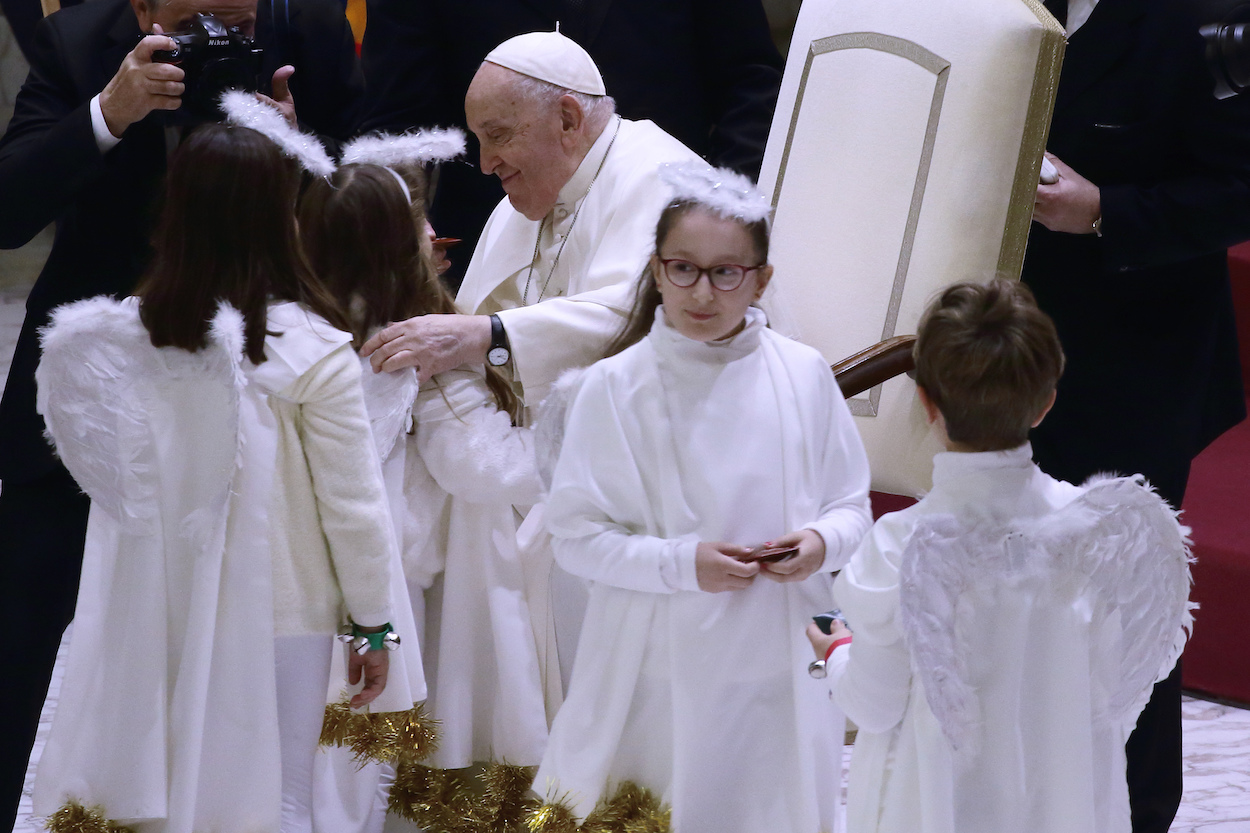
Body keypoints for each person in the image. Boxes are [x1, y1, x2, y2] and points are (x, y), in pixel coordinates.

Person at [0, 0, 362, 822]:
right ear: (144, 9)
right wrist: (108, 114)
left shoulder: (310, 31)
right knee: (25, 625)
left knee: (231, 637)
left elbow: (367, 196)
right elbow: (8, 208)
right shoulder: (81, 42)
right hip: (91, 371)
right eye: (200, 18)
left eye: (241, 17)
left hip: (260, 386)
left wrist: (300, 147)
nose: (225, 34)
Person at [531, 163, 873, 833]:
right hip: (658, 669)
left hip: (779, 659)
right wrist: (683, 562)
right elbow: (574, 537)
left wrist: (820, 542)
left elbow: (851, 505)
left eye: (726, 273)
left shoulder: (802, 374)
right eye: (683, 268)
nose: (702, 291)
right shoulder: (611, 388)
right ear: (656, 269)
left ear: (761, 279)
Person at [811, 280, 1193, 833]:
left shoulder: (904, 544)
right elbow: (1113, 698)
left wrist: (836, 651)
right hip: (1058, 799)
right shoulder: (1099, 534)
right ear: (1046, 403)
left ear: (926, 403)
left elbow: (872, 704)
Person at [1024, 0, 1250, 828]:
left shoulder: (1211, 16)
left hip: (1136, 362)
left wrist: (1105, 209)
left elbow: (1240, 189)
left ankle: (1134, 810)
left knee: (1126, 598)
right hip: (997, 351)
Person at [297, 151, 547, 833]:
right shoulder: (416, 349)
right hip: (383, 584)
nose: (436, 230)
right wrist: (582, 441)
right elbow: (484, 465)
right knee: (355, 760)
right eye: (418, 221)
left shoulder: (293, 329)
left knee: (308, 759)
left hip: (291, 573)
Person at [356, 0, 783, 288]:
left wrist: (722, 210)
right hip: (494, 238)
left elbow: (749, 81)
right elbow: (397, 121)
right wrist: (399, 217)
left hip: (664, 222)